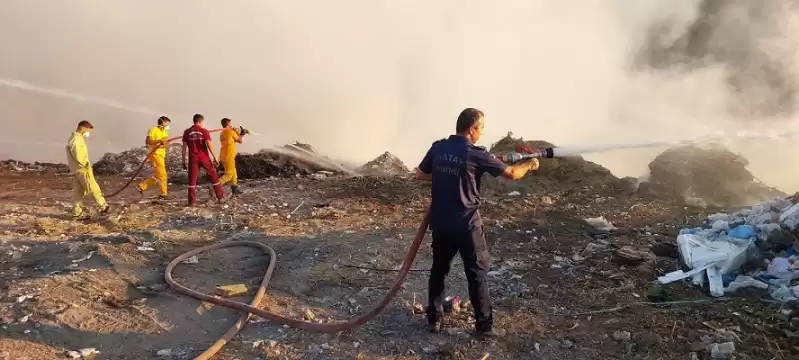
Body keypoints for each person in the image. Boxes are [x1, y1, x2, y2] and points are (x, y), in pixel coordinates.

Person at [415, 108, 539, 337]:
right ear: (472, 129)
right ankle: (483, 327)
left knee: (439, 270)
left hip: (441, 224)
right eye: (481, 128)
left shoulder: (439, 148)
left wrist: (448, 174)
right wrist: (530, 165)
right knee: (477, 274)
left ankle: (434, 319)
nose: (482, 133)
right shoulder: (476, 153)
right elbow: (511, 173)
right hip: (467, 226)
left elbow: (421, 175)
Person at [66, 120, 110, 219]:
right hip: (82, 169)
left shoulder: (75, 138)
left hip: (76, 170)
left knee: (78, 192)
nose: (88, 133)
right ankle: (103, 206)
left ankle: (77, 213)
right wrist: (85, 164)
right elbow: (78, 154)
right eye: (88, 130)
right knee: (93, 187)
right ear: (83, 128)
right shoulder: (76, 140)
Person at [182, 113, 225, 206]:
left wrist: (183, 161)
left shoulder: (187, 132)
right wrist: (214, 157)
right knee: (213, 177)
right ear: (200, 121)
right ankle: (220, 197)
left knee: (192, 181)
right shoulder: (204, 131)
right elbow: (209, 144)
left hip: (193, 159)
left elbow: (184, 148)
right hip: (204, 158)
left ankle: (192, 202)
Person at [137, 116, 171, 199]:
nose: (168, 125)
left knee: (158, 175)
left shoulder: (165, 132)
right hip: (155, 154)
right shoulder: (153, 130)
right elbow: (148, 141)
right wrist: (159, 141)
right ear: (163, 122)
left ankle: (141, 186)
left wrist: (164, 144)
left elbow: (166, 144)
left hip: (162, 155)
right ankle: (163, 194)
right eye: (167, 123)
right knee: (163, 175)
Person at [218, 118, 245, 195]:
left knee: (234, 172)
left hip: (223, 156)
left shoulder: (222, 133)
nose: (231, 125)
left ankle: (234, 189)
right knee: (229, 174)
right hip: (229, 156)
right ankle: (216, 186)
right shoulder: (230, 132)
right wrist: (242, 133)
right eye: (230, 124)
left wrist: (236, 132)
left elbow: (232, 140)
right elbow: (240, 140)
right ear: (228, 124)